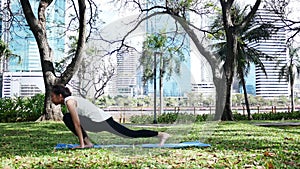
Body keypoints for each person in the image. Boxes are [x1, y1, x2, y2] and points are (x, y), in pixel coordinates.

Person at [51, 84, 170, 149]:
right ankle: (88, 143)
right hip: (100, 121)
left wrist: (81, 145)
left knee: (130, 134)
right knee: (130, 134)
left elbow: (77, 123)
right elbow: (77, 122)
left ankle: (161, 134)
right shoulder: (71, 100)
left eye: (53, 96)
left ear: (60, 95)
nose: (51, 99)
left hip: (102, 122)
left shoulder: (69, 101)